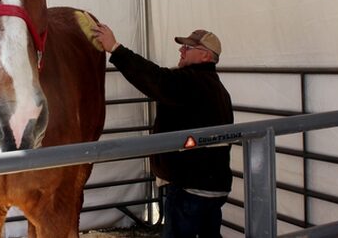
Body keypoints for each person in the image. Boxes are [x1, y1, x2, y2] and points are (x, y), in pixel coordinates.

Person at [92, 24, 233, 238]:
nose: (181, 50)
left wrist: (115, 48)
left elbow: (154, 78)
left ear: (205, 55)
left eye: (188, 47)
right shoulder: (217, 88)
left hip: (190, 188)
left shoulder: (192, 82)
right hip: (212, 186)